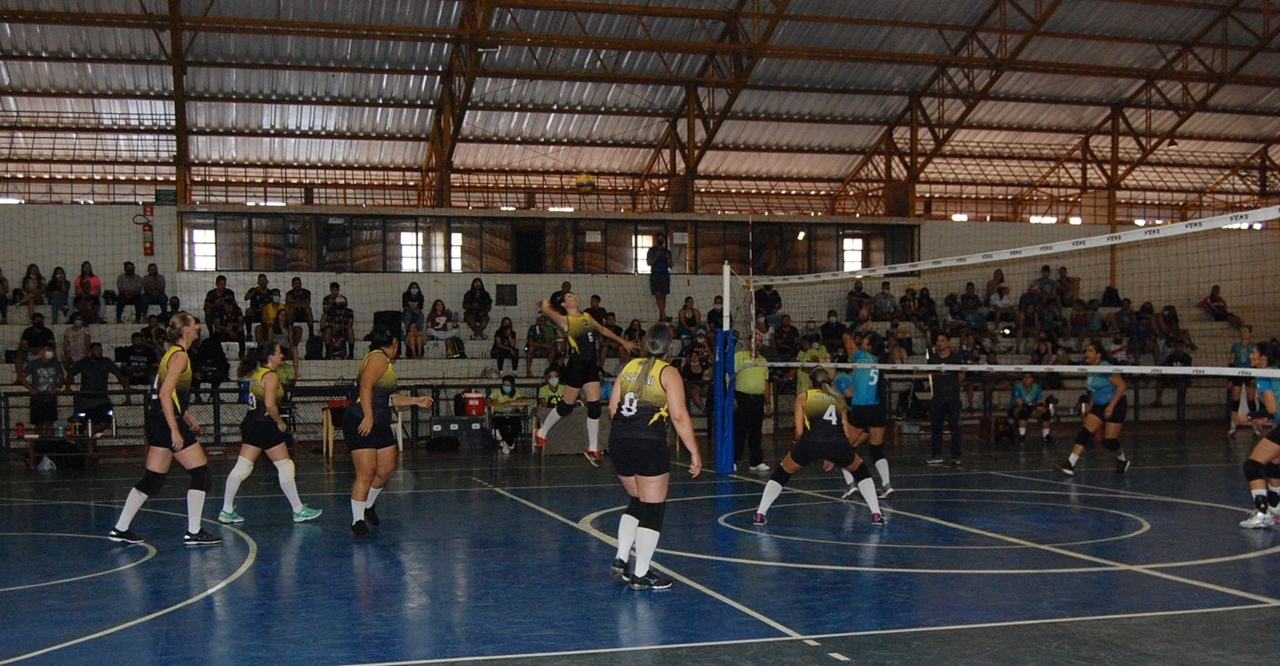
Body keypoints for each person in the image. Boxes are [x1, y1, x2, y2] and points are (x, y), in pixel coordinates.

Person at [107, 313, 222, 546]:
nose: (198, 326)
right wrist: (175, 429)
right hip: (164, 420)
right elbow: (164, 393)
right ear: (186, 330)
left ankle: (120, 528)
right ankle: (194, 531)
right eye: (194, 323)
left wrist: (185, 415)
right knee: (201, 473)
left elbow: (166, 391)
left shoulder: (171, 354)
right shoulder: (179, 356)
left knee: (153, 478)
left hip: (156, 418)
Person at [607, 324, 704, 593]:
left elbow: (613, 406)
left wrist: (627, 430)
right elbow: (679, 416)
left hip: (619, 440)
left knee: (638, 500)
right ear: (669, 348)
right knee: (653, 508)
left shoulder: (628, 367)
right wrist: (695, 451)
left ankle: (621, 558)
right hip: (647, 442)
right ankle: (641, 573)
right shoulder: (668, 372)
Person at [752, 366, 885, 527]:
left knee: (782, 472)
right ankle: (876, 514)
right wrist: (832, 455)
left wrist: (801, 449)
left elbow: (799, 432)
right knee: (861, 471)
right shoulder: (838, 399)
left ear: (810, 382)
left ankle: (760, 514)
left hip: (810, 442)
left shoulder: (804, 397)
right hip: (838, 444)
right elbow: (845, 433)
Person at [218, 342, 322, 526]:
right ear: (271, 357)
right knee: (285, 466)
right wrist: (280, 422)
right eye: (280, 352)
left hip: (251, 423)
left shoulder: (257, 375)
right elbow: (269, 405)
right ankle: (298, 510)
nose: (282, 355)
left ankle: (226, 510)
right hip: (266, 424)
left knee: (242, 468)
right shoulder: (271, 376)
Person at [343, 328, 433, 537]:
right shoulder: (378, 358)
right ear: (393, 343)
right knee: (366, 472)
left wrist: (415, 401)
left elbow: (386, 398)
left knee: (386, 469)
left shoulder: (386, 364)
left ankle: (368, 506)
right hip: (361, 420)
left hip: (380, 421)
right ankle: (357, 521)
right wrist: (367, 416)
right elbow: (365, 388)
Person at [534, 292, 637, 466]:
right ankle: (542, 432)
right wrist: (548, 303)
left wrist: (622, 342)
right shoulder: (564, 320)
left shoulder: (587, 316)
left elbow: (603, 330)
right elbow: (545, 308)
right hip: (576, 365)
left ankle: (593, 448)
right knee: (566, 406)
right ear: (564, 304)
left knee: (594, 407)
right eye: (569, 296)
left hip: (591, 365)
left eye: (574, 295)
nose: (574, 297)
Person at [1054, 340, 1131, 476]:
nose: (1086, 353)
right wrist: (1090, 405)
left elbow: (1122, 386)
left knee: (1109, 441)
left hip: (1116, 404)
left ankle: (1122, 460)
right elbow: (1094, 390)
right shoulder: (1090, 369)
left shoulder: (1106, 367)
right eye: (1086, 350)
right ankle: (1070, 464)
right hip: (1098, 405)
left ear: (1098, 355)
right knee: (1084, 432)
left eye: (1090, 351)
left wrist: (1111, 406)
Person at [835, 333, 893, 499]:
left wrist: (859, 323)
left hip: (861, 409)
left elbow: (846, 336)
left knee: (843, 449)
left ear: (868, 345)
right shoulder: (880, 360)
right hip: (878, 409)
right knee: (875, 449)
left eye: (865, 340)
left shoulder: (861, 358)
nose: (861, 343)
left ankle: (852, 485)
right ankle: (887, 484)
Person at [1237, 343, 1280, 528]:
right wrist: (1265, 416)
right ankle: (1276, 509)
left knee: (1252, 466)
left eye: (1254, 352)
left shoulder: (1264, 374)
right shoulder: (1276, 370)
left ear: (1263, 357)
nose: (1251, 356)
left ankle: (1262, 514)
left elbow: (1272, 407)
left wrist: (1248, 415)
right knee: (1274, 465)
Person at [68, 342, 130, 437]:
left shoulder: (106, 362)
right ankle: (88, 443)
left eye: (100, 350)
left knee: (106, 420)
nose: (99, 352)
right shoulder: (83, 363)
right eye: (96, 350)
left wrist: (125, 387)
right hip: (85, 400)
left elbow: (118, 373)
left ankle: (87, 435)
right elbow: (71, 373)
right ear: (90, 351)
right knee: (84, 422)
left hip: (101, 399)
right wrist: (67, 387)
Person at [734, 331, 771, 473]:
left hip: (757, 400)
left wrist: (768, 402)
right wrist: (733, 398)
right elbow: (730, 378)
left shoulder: (764, 361)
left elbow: (766, 383)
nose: (758, 343)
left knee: (756, 432)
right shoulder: (739, 357)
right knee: (739, 432)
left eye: (760, 341)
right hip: (742, 398)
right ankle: (733, 460)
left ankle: (756, 462)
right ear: (749, 341)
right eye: (756, 340)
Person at [926, 331, 966, 466]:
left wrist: (953, 386)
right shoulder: (933, 359)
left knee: (955, 427)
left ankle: (956, 456)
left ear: (948, 342)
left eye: (942, 340)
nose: (940, 343)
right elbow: (932, 375)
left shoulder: (955, 358)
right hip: (938, 397)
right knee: (936, 427)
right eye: (938, 341)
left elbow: (962, 373)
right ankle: (937, 455)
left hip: (952, 397)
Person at [19, 342, 65, 437]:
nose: (49, 352)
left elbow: (61, 379)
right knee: (38, 424)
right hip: (37, 398)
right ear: (41, 352)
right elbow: (22, 377)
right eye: (47, 349)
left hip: (50, 399)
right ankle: (38, 447)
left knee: (49, 424)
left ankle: (49, 446)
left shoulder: (56, 364)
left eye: (50, 350)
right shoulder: (34, 363)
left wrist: (56, 388)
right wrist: (30, 388)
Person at [487, 374, 529, 454]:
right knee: (503, 426)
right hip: (499, 414)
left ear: (512, 385)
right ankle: (509, 442)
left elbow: (520, 400)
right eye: (504, 385)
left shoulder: (516, 391)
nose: (506, 387)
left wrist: (509, 402)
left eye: (508, 385)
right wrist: (495, 403)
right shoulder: (497, 392)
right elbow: (488, 401)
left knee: (517, 427)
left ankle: (507, 442)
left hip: (512, 414)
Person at [1009, 372, 1052, 444]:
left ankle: (1046, 436)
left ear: (1032, 379)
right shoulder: (1017, 387)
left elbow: (1039, 401)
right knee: (1023, 412)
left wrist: (1041, 406)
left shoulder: (1037, 387)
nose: (1026, 379)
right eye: (1025, 377)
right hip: (1016, 407)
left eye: (1028, 377)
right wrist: (1033, 409)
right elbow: (1020, 403)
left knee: (1046, 412)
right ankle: (1021, 436)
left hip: (1032, 407)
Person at [1228, 326, 1254, 437]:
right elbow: (1231, 362)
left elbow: (1255, 362)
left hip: (1250, 374)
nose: (1243, 333)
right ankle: (1233, 425)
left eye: (1245, 331)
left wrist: (1254, 376)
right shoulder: (1235, 346)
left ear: (1250, 333)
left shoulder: (1253, 347)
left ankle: (1255, 425)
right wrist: (1229, 379)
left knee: (1251, 400)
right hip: (1237, 374)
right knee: (1235, 400)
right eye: (1242, 330)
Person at [646, 233, 673, 321]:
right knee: (658, 295)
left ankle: (661, 316)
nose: (660, 241)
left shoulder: (667, 251)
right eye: (659, 239)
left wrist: (668, 258)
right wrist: (657, 256)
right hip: (655, 275)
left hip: (665, 274)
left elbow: (671, 265)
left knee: (663, 296)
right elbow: (649, 263)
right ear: (656, 240)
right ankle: (664, 315)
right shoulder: (652, 250)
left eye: (662, 239)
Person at [286, 276, 315, 341]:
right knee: (291, 310)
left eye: (298, 283)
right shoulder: (289, 293)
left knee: (308, 309)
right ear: (292, 285)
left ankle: (311, 331)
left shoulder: (306, 292)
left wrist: (295, 302)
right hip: (294, 314)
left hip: (304, 313)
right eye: (295, 284)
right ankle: (289, 329)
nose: (297, 285)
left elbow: (307, 304)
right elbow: (289, 305)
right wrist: (301, 303)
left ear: (301, 284)